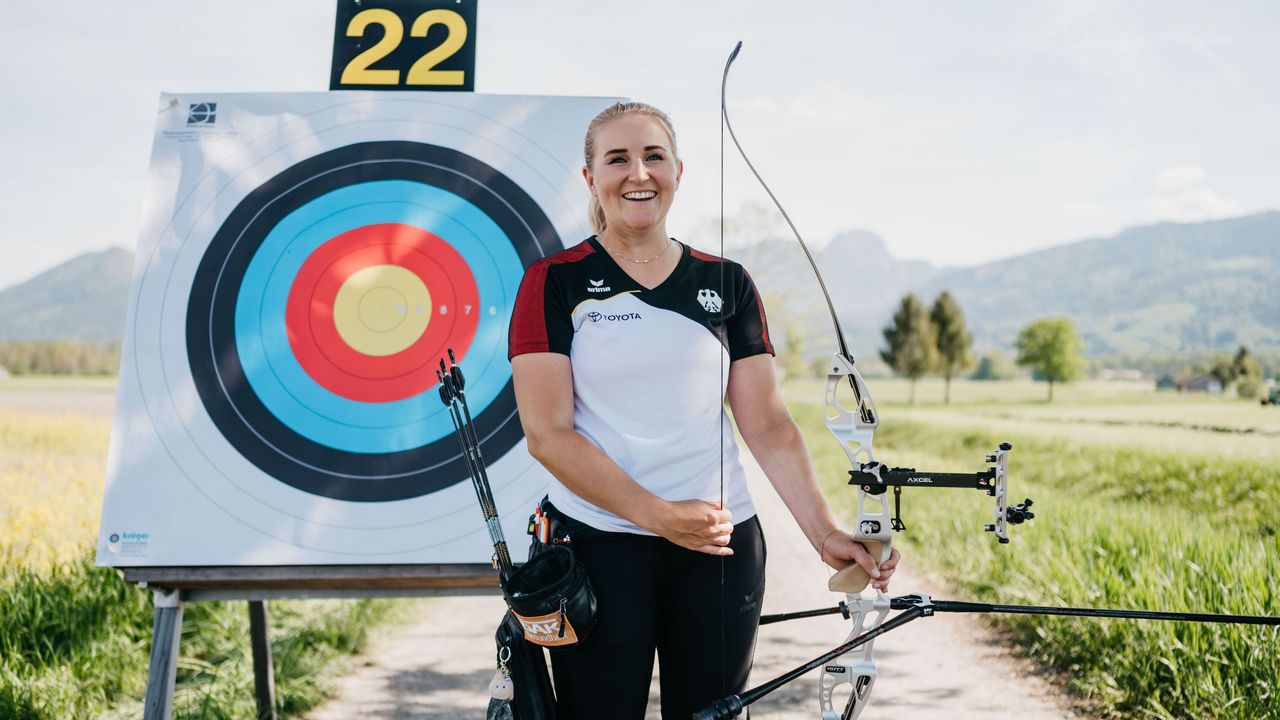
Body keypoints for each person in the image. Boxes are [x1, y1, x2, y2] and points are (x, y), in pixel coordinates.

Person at [507, 101, 900, 720]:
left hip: (719, 547)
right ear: (591, 178)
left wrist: (825, 532)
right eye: (618, 159)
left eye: (653, 156)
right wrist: (660, 516)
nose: (638, 173)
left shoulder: (730, 281)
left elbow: (767, 424)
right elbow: (547, 435)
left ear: (679, 171)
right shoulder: (554, 281)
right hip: (598, 545)